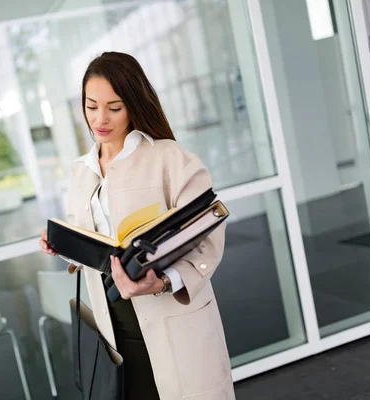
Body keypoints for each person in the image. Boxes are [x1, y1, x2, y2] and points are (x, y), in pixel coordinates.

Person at [39, 51, 234, 399]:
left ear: (134, 104)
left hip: (173, 322)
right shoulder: (80, 171)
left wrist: (160, 282)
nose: (101, 119)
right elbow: (93, 248)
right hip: (112, 326)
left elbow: (207, 241)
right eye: (91, 105)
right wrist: (63, 245)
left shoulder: (172, 159)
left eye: (114, 107)